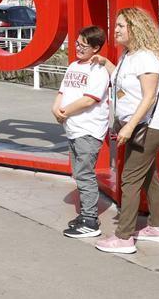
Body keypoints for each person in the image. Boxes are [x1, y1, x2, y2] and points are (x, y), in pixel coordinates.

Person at [92, 7, 159, 254]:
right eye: (115, 25)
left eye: (120, 26)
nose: (114, 30)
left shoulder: (147, 58)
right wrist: (105, 62)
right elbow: (123, 81)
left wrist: (129, 125)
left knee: (130, 179)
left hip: (147, 127)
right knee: (148, 178)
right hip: (140, 126)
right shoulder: (129, 55)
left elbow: (148, 97)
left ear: (134, 28)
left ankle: (124, 237)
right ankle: (158, 227)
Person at [54, 25, 110, 239]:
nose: (78, 47)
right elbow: (62, 91)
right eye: (77, 43)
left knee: (85, 174)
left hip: (88, 128)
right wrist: (56, 108)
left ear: (96, 48)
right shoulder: (72, 66)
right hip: (73, 128)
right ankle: (86, 215)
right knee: (78, 173)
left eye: (83, 45)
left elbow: (89, 100)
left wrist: (64, 112)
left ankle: (90, 220)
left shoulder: (99, 70)